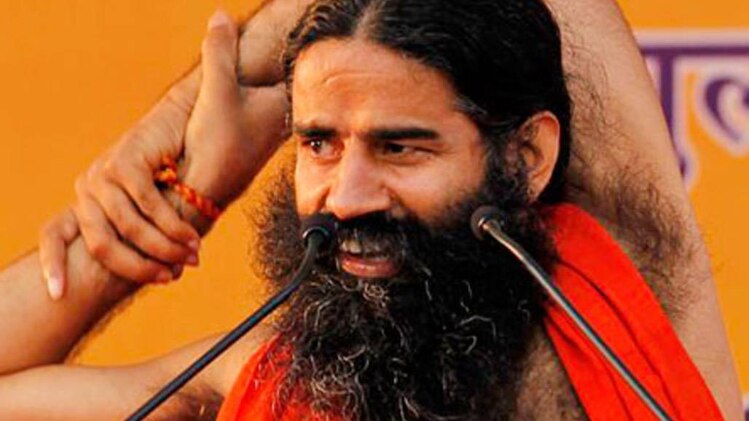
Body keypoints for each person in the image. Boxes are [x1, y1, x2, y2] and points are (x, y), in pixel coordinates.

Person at [0, 0, 742, 420]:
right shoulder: (263, 376)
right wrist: (169, 202)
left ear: (525, 158)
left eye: (400, 147)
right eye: (317, 143)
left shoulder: (631, 298)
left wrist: (186, 101)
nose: (347, 197)